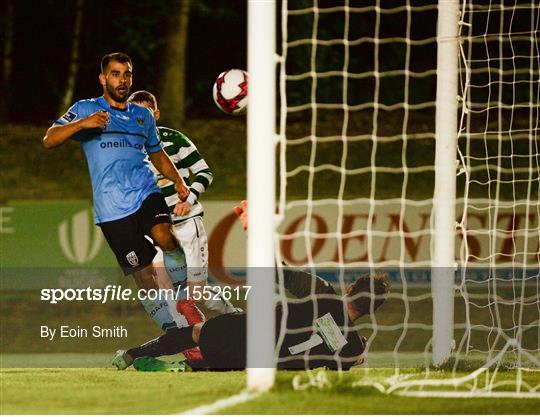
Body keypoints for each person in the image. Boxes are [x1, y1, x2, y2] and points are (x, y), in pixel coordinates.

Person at [113, 202, 391, 371]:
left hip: (242, 334)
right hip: (261, 364)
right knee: (223, 352)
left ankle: (131, 355)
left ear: (352, 288)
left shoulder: (324, 294)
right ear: (372, 310)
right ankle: (193, 367)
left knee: (197, 333)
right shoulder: (351, 345)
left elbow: (277, 272)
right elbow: (348, 361)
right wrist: (361, 350)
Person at [42, 52, 190, 327]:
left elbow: (157, 154)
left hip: (145, 191)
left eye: (127, 74)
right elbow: (49, 139)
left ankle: (185, 300)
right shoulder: (86, 109)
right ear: (103, 78)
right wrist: (82, 124)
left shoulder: (142, 115)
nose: (122, 80)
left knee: (166, 237)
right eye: (115, 73)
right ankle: (173, 331)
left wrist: (179, 181)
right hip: (111, 208)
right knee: (144, 276)